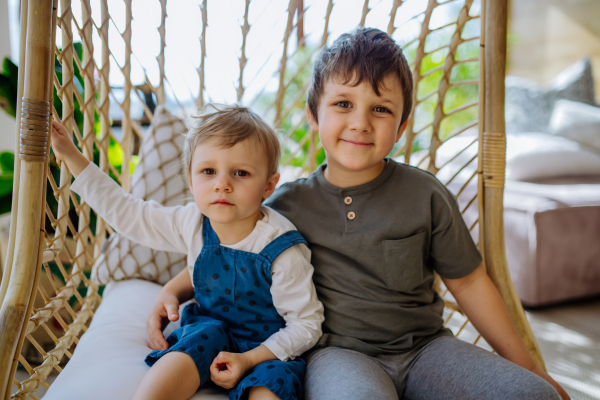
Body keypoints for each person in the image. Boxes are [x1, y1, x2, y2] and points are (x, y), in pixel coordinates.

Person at [264, 27, 570, 400]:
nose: (361, 122)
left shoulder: (425, 193)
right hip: (338, 355)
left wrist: (527, 366)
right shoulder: (286, 205)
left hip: (427, 349)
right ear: (313, 115)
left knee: (534, 395)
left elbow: (470, 283)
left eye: (381, 108)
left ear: (401, 127)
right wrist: (177, 291)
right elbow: (228, 244)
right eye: (343, 104)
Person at [50, 104, 324, 400]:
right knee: (186, 352)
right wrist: (70, 155)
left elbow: (306, 323)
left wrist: (249, 359)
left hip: (267, 348)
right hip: (209, 331)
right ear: (190, 180)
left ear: (269, 185)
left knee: (271, 388)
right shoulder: (192, 222)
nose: (222, 184)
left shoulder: (282, 249)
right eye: (208, 171)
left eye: (241, 173)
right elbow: (129, 214)